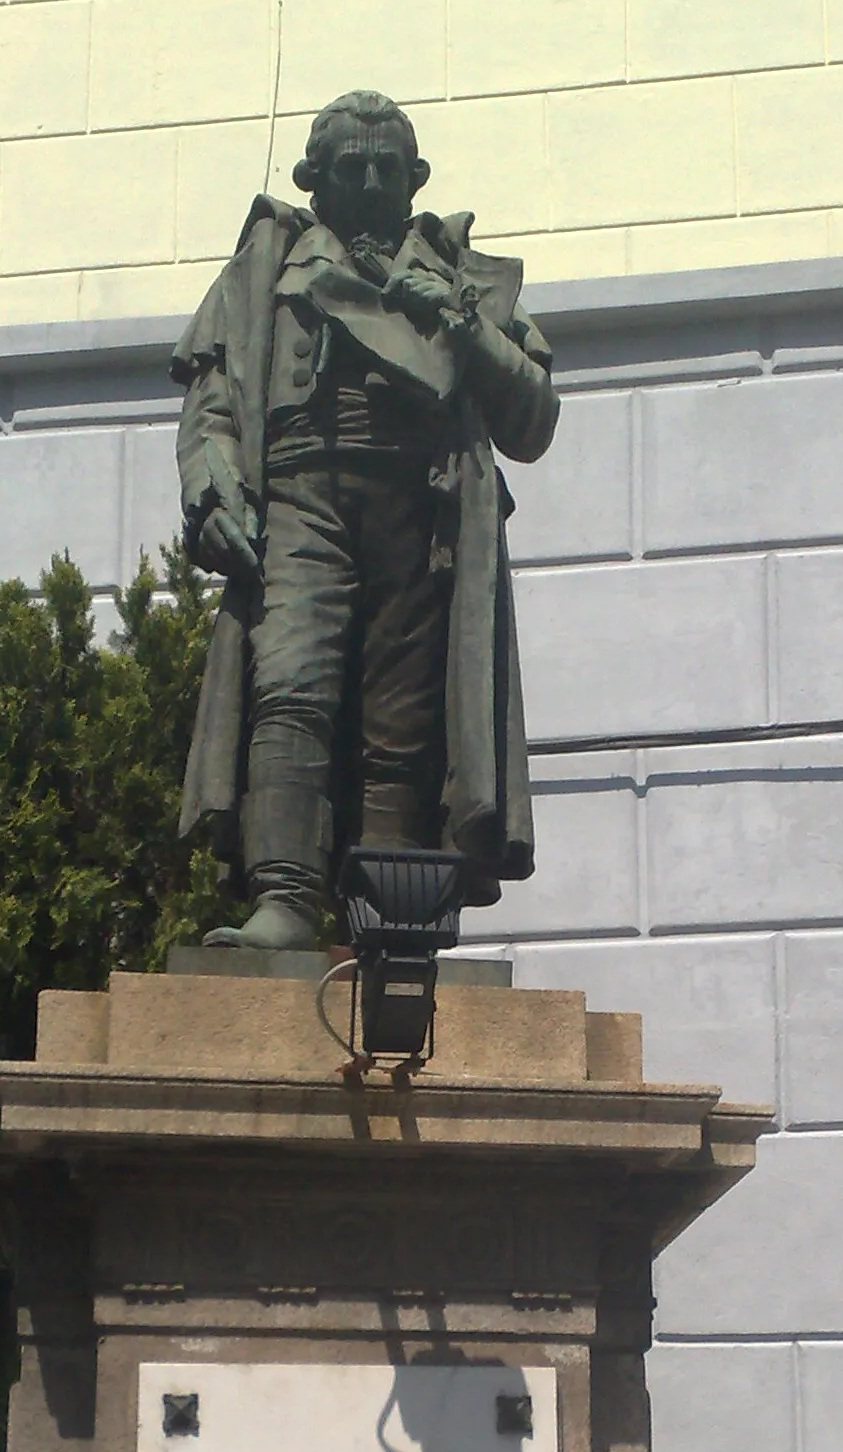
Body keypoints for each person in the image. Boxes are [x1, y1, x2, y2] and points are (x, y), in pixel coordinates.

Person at [172, 89, 559, 951]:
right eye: (354, 167)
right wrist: (212, 489)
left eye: (391, 167)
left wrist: (456, 322)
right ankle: (284, 897)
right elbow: (212, 402)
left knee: (403, 719)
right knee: (291, 687)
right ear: (316, 181)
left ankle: (390, 911)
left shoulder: (461, 276)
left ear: (417, 179)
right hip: (301, 500)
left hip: (421, 508)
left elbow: (533, 419)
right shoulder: (266, 270)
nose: (374, 182)